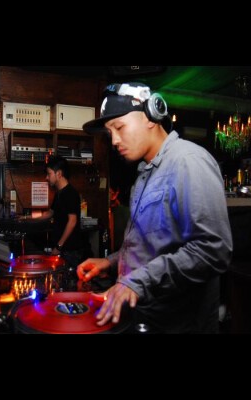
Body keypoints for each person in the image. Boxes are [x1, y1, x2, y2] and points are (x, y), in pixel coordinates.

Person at [78, 82, 233, 333]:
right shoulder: (144, 174)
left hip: (178, 324)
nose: (114, 140)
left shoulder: (188, 161)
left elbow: (213, 250)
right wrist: (110, 262)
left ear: (151, 116)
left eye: (119, 127)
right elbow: (151, 246)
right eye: (109, 132)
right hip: (145, 318)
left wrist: (137, 282)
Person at [32, 155, 85, 286]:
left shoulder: (70, 193)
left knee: (68, 286)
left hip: (70, 251)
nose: (46, 177)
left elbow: (72, 221)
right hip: (63, 250)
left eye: (49, 173)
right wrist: (28, 220)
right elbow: (50, 213)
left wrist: (59, 247)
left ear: (59, 174)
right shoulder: (59, 193)